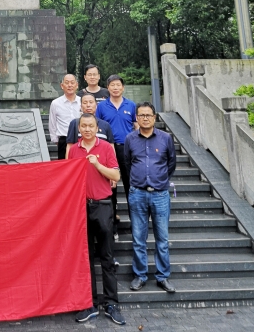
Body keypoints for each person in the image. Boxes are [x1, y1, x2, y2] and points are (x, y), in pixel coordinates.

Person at [68, 114, 125, 326]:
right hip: (81, 207)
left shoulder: (106, 148)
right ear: (79, 128)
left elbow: (116, 176)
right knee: (86, 258)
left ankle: (111, 304)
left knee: (107, 256)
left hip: (102, 206)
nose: (87, 129)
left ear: (97, 127)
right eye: (83, 126)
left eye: (90, 126)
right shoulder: (74, 150)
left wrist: (98, 165)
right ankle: (89, 303)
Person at [125, 102, 177, 294]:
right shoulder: (130, 138)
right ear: (137, 118)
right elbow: (127, 163)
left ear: (154, 117)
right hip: (137, 193)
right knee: (139, 238)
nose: (145, 118)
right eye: (141, 115)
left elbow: (171, 163)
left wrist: (160, 180)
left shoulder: (165, 138)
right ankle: (140, 275)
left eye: (148, 115)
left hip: (160, 194)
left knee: (162, 239)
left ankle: (162, 276)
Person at [96, 75, 137, 229]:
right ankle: (111, 223)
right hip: (108, 150)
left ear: (123, 87)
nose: (115, 88)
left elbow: (136, 126)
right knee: (110, 186)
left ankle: (135, 222)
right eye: (112, 85)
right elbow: (97, 127)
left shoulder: (131, 105)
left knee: (130, 185)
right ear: (108, 88)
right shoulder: (101, 106)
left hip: (127, 149)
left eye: (118, 85)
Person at [65, 92, 114, 158]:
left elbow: (111, 147)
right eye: (85, 103)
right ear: (81, 106)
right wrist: (68, 163)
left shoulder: (105, 125)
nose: (88, 105)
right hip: (79, 161)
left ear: (96, 105)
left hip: (101, 162)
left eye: (91, 102)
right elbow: (69, 146)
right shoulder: (75, 123)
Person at [48, 73, 81, 160]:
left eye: (72, 82)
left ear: (77, 85)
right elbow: (52, 123)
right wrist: (56, 141)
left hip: (81, 139)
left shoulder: (82, 101)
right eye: (67, 82)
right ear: (62, 86)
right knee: (64, 166)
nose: (70, 85)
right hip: (64, 140)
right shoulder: (55, 103)